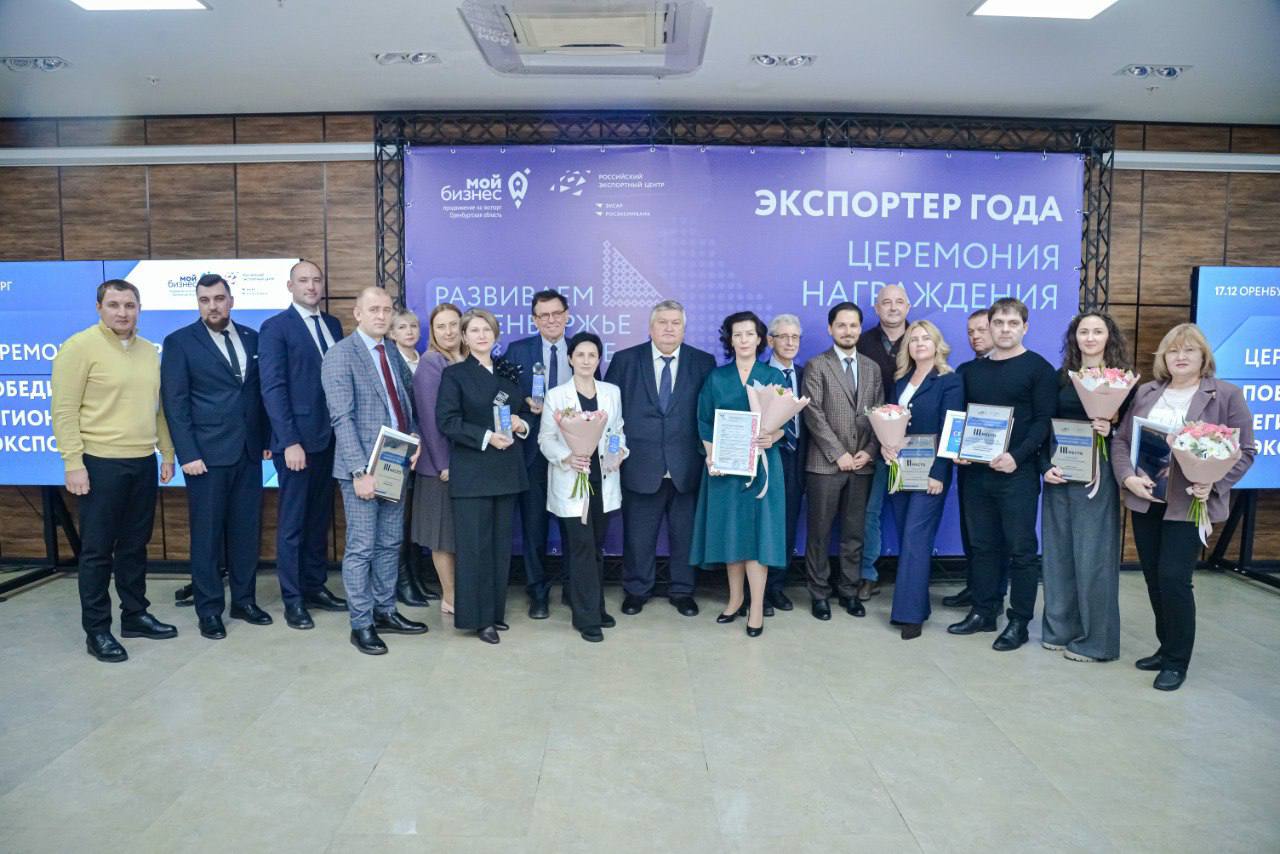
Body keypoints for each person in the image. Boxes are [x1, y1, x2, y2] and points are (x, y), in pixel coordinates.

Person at [1113, 323, 1255, 691]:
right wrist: (1127, 478)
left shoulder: (1226, 395)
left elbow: (1245, 451)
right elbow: (1122, 441)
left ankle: (1177, 662)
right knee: (1154, 578)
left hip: (1190, 503)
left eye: (1189, 350)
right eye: (1173, 350)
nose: (1180, 356)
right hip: (1147, 500)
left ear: (1203, 356)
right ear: (1163, 357)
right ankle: (1166, 648)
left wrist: (1214, 482)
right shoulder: (1146, 392)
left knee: (1174, 579)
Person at [51, 279, 177, 662]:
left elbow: (157, 409)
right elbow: (64, 411)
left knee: (135, 545)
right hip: (99, 463)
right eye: (114, 305)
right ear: (99, 308)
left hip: (142, 461)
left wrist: (166, 453)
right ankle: (98, 631)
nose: (123, 312)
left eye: (130, 305)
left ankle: (135, 615)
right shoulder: (78, 347)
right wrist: (73, 463)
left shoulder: (147, 350)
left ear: (139, 309)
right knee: (97, 551)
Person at [160, 274, 271, 640]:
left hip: (248, 452)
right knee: (207, 538)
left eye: (219, 298)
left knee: (245, 533)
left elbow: (258, 394)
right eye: (205, 300)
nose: (213, 306)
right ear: (198, 303)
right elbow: (175, 403)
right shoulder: (179, 342)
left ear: (231, 301)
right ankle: (209, 610)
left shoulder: (253, 338)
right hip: (205, 457)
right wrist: (187, 453)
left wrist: (266, 438)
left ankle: (244, 601)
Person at [321, 287, 427, 655]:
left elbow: (406, 403)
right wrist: (358, 472)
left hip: (395, 459)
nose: (381, 316)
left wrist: (415, 437)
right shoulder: (340, 355)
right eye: (374, 309)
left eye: (386, 309)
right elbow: (342, 418)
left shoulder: (391, 352)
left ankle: (385, 611)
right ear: (357, 314)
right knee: (362, 547)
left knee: (389, 543)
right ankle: (361, 624)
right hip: (363, 469)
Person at [947, 297, 1057, 651]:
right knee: (982, 545)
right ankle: (984, 611)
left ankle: (1019, 621)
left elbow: (1043, 422)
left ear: (1025, 327)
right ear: (990, 326)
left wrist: (1017, 457)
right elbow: (960, 417)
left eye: (1013, 323)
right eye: (999, 323)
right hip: (975, 474)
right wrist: (956, 450)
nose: (1005, 329)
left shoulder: (1039, 369)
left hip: (1016, 474)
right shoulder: (970, 371)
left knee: (1021, 549)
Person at [604, 300, 715, 618]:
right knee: (638, 536)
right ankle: (636, 590)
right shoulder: (626, 360)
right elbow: (610, 411)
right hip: (640, 465)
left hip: (686, 466)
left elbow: (710, 412)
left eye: (675, 323)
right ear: (650, 327)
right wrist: (612, 453)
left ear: (684, 328)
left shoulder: (703, 362)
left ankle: (683, 591)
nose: (669, 328)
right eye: (662, 322)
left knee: (685, 535)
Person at [1039, 311, 1134, 663]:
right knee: (1058, 553)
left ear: (1109, 337)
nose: (1090, 337)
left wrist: (1112, 429)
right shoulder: (1061, 378)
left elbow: (1132, 434)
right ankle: (1060, 629)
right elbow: (1044, 427)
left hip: (1098, 474)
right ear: (1074, 337)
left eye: (1097, 331)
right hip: (1060, 471)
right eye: (1083, 331)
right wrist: (1045, 467)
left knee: (1094, 556)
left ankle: (1098, 642)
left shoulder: (1124, 380)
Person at [258, 259, 347, 630]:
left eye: (316, 280)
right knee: (293, 524)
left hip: (330, 439)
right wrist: (289, 440)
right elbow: (273, 388)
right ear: (290, 286)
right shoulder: (275, 327)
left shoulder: (333, 325)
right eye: (303, 280)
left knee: (318, 519)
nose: (311, 286)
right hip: (296, 443)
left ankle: (314, 586)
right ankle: (293, 599)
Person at [436, 308, 532, 644]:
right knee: (475, 548)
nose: (481, 336)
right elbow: (447, 422)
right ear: (464, 336)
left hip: (506, 471)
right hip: (473, 474)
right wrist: (487, 437)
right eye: (474, 330)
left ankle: (493, 613)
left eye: (486, 330)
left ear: (495, 335)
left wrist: (522, 424)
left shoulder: (508, 373)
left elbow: (523, 412)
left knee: (499, 548)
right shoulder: (455, 375)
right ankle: (477, 619)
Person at [690, 312, 786, 638]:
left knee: (757, 536)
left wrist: (773, 436)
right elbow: (704, 420)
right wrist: (711, 454)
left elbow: (787, 421)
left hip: (762, 467)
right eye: (737, 334)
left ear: (760, 339)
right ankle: (735, 599)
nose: (744, 340)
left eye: (749, 334)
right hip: (726, 468)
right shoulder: (717, 378)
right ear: (730, 340)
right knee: (730, 532)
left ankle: (756, 606)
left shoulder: (773, 376)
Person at [538, 332, 627, 642]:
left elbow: (617, 430)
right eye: (580, 355)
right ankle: (586, 617)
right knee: (581, 547)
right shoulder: (557, 396)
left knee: (596, 547)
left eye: (592, 355)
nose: (586, 360)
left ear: (599, 359)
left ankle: (595, 606)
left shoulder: (611, 392)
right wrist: (567, 457)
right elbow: (545, 439)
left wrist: (618, 451)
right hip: (571, 479)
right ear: (570, 359)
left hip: (603, 479)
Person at [801, 301, 883, 621]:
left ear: (860, 329)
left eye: (853, 325)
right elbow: (814, 415)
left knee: (854, 534)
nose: (848, 331)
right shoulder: (816, 365)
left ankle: (849, 591)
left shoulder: (872, 368)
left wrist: (870, 451)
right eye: (841, 325)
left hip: (862, 464)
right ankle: (819, 594)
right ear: (830, 329)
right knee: (819, 534)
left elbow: (879, 414)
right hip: (825, 465)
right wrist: (839, 454)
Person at [883, 320, 964, 639]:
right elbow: (891, 421)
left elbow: (951, 428)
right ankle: (918, 604)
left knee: (916, 540)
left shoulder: (949, 380)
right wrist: (886, 445)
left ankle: (909, 615)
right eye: (914, 339)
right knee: (908, 539)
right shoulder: (901, 380)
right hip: (902, 469)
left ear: (936, 344)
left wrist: (939, 472)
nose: (919, 343)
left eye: (925, 338)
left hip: (930, 472)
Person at [502, 289, 572, 619]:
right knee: (534, 528)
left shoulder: (581, 350)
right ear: (534, 320)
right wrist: (522, 404)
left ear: (567, 315)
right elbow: (501, 397)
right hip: (531, 453)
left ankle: (574, 589)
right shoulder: (518, 351)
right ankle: (538, 593)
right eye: (544, 315)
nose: (551, 320)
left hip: (572, 453)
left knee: (574, 527)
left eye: (556, 313)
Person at [411, 303, 466, 618]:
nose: (448, 331)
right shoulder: (432, 362)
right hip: (439, 467)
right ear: (432, 332)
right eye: (441, 326)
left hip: (466, 463)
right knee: (442, 537)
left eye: (453, 324)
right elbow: (430, 420)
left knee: (458, 533)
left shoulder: (467, 359)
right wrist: (445, 464)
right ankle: (450, 597)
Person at [855, 283, 910, 601]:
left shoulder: (919, 339)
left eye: (899, 301)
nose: (892, 307)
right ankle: (868, 574)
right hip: (872, 443)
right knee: (869, 512)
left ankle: (912, 576)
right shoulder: (862, 343)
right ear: (876, 308)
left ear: (908, 307)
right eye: (886, 302)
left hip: (912, 444)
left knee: (911, 513)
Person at [943, 309, 996, 609]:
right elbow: (956, 415)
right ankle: (974, 587)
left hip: (1000, 465)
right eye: (970, 332)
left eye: (981, 329)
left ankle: (991, 597)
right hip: (968, 464)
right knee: (971, 530)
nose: (975, 336)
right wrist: (955, 450)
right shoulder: (963, 370)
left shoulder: (1011, 368)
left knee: (992, 537)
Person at [387, 307, 431, 607]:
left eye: (413, 326)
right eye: (402, 327)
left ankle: (417, 578)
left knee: (414, 517)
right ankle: (402, 582)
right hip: (400, 445)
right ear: (392, 333)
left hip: (426, 445)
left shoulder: (425, 360)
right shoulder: (390, 362)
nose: (409, 332)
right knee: (398, 519)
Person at [764, 313, 807, 613]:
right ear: (770, 341)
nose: (790, 342)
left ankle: (777, 587)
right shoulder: (759, 374)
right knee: (764, 525)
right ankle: (758, 590)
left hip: (798, 459)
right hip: (767, 458)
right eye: (784, 336)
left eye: (795, 337)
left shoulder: (806, 374)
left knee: (788, 525)